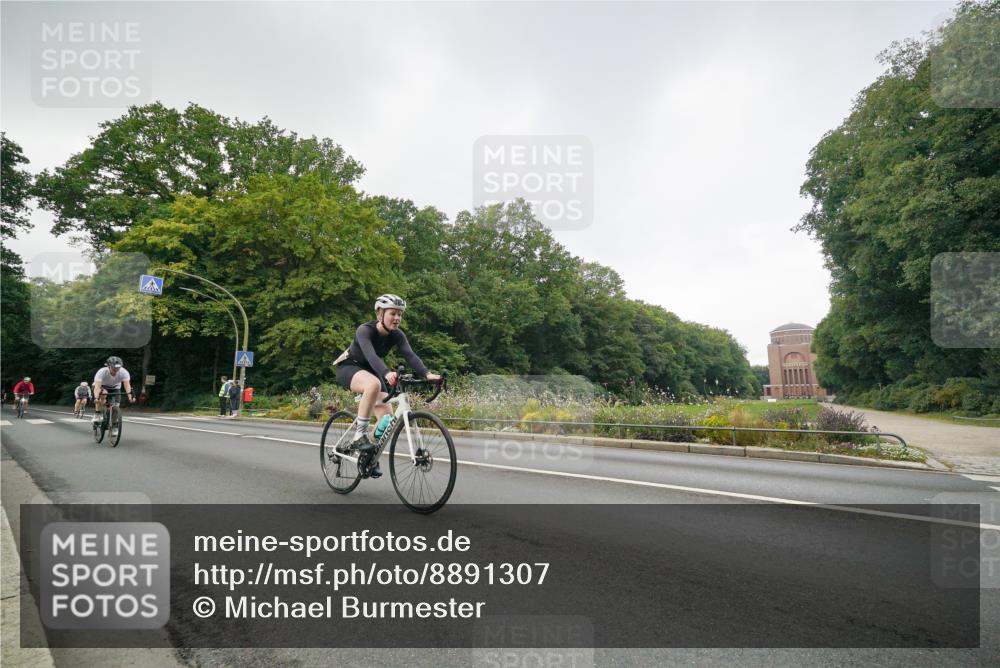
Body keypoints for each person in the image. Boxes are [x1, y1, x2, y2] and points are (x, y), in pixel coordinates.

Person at [333, 294, 440, 478]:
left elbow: (410, 355)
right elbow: (371, 355)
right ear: (380, 314)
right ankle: (359, 435)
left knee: (387, 421)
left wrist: (427, 374)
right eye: (393, 313)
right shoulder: (364, 331)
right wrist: (386, 373)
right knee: (373, 384)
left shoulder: (397, 335)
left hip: (373, 371)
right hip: (350, 367)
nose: (397, 318)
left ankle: (368, 456)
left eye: (400, 314)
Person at [93, 356, 134, 423]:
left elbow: (127, 385)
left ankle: (113, 423)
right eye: (114, 368)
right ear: (108, 366)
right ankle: (97, 413)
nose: (116, 370)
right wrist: (96, 398)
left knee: (117, 405)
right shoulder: (102, 372)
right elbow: (97, 387)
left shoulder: (124, 372)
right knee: (103, 394)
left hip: (115, 387)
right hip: (102, 386)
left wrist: (130, 397)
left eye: (118, 368)